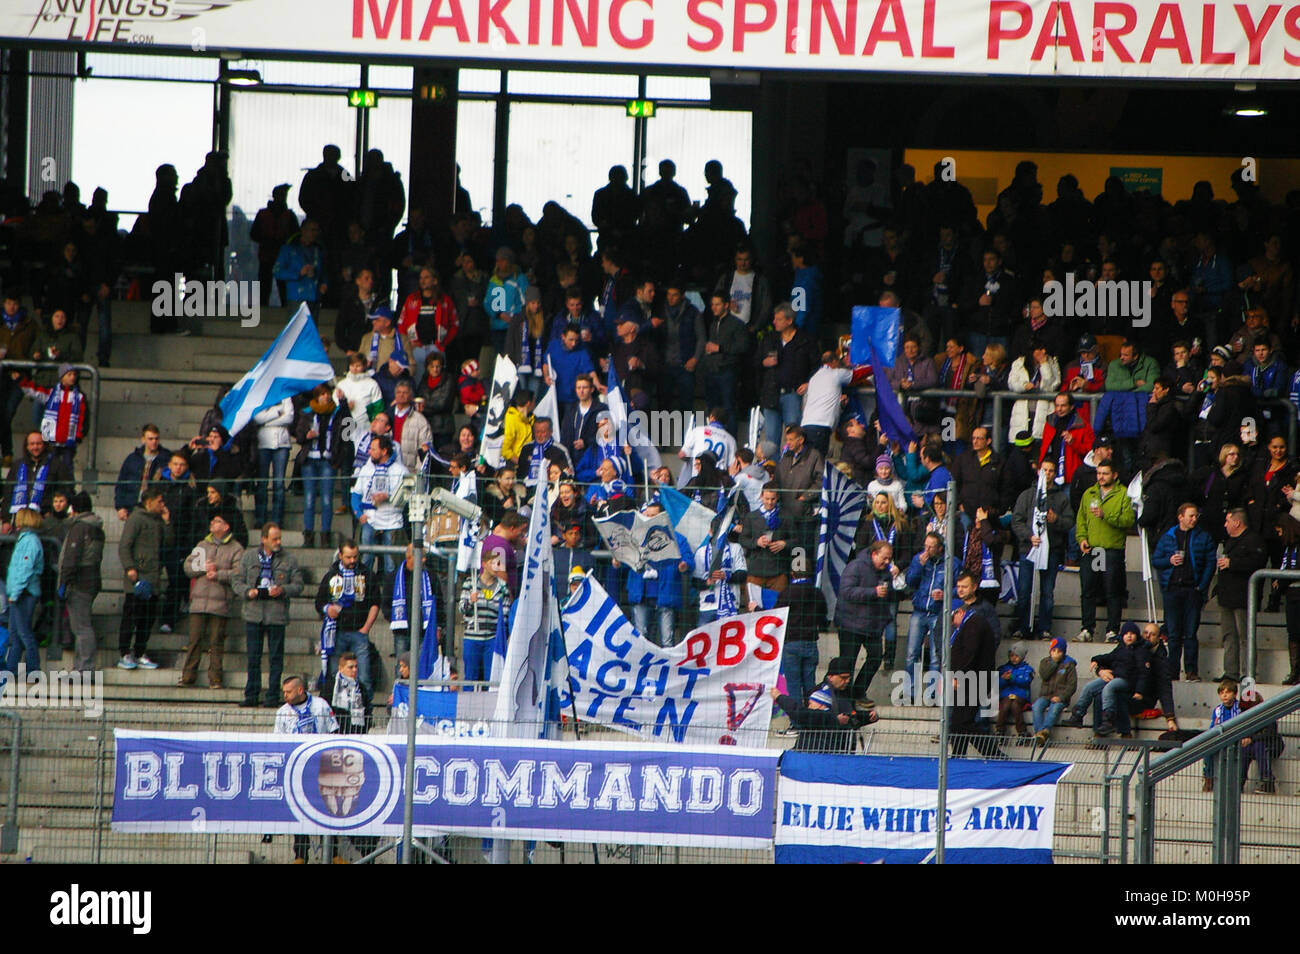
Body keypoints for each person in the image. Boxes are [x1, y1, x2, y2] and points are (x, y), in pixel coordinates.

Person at [235, 523, 303, 708]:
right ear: (263, 539)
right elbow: (237, 581)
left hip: (276, 615)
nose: (278, 542)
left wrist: (282, 589)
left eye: (279, 538)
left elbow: (298, 585)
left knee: (275, 658)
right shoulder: (249, 557)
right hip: (253, 614)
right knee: (253, 657)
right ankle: (251, 694)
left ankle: (273, 695)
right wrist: (248, 591)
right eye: (274, 539)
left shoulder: (289, 559)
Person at [273, 674, 339, 863]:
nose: (285, 695)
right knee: (299, 810)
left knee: (327, 810)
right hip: (297, 770)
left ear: (300, 690)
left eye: (288, 691)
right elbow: (278, 742)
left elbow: (335, 732)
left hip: (322, 767)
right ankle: (300, 855)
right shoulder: (282, 712)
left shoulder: (321, 705)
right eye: (283, 692)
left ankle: (333, 853)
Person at [1151, 503, 1217, 682]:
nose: (1194, 519)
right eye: (1191, 516)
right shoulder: (1168, 537)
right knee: (1173, 634)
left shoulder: (1203, 537)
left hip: (1192, 590)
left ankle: (1191, 671)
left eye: (1196, 516)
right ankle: (1172, 672)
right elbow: (1156, 560)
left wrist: (1201, 586)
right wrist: (1169, 560)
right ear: (1180, 517)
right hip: (1172, 590)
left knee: (1190, 634)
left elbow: (1211, 563)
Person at [179, 510, 244, 689]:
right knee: (194, 640)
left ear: (226, 526)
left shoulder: (236, 548)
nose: (212, 523)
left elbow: (239, 573)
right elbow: (187, 566)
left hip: (220, 602)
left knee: (216, 642)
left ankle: (215, 678)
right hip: (199, 602)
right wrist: (202, 567)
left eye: (217, 521)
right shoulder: (202, 544)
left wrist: (219, 574)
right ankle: (187, 676)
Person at [1011, 459, 1073, 641]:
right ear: (1039, 471)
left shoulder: (1061, 498)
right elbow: (1016, 520)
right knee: (1024, 591)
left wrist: (1056, 520)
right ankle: (1022, 626)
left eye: (1051, 471)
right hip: (1028, 549)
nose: (1048, 474)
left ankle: (1045, 628)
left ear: (1055, 473)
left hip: (1051, 550)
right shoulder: (1026, 495)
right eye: (1044, 470)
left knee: (1047, 591)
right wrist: (1029, 536)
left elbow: (1070, 522)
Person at [837, 539, 903, 706]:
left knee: (875, 658)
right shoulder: (856, 566)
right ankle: (843, 699)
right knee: (847, 663)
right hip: (851, 624)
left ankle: (858, 692)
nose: (887, 562)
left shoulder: (886, 572)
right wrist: (872, 592)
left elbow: (887, 596)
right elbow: (846, 591)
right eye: (885, 558)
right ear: (874, 554)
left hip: (872, 625)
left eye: (890, 559)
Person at [1075, 462, 1134, 642]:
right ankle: (1087, 628)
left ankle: (1112, 630)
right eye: (1099, 473)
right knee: (1088, 589)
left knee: (1112, 590)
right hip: (1093, 549)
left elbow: (1129, 520)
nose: (1101, 477)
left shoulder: (1123, 493)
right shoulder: (1089, 493)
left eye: (1105, 473)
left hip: (1111, 550)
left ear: (1114, 475)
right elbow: (1081, 520)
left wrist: (1106, 515)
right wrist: (1082, 538)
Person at [768, 658, 877, 754]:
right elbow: (808, 716)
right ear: (831, 676)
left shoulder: (844, 693)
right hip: (816, 752)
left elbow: (848, 717)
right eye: (843, 678)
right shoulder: (820, 692)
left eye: (849, 678)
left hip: (838, 752)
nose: (847, 681)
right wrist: (780, 698)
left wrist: (867, 717)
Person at [1062, 621, 1151, 737]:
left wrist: (1139, 691)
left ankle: (1108, 720)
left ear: (1137, 636)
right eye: (1126, 633)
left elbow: (1143, 673)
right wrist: (1096, 660)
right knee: (1090, 687)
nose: (1129, 636)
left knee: (1109, 688)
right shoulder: (1120, 648)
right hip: (1115, 677)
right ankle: (1077, 715)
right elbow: (1109, 657)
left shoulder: (1141, 651)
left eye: (1132, 633)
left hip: (1128, 681)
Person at [314, 541, 381, 696]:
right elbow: (319, 602)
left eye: (355, 557)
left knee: (363, 676)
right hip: (336, 633)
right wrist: (327, 609)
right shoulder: (331, 575)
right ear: (340, 556)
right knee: (334, 674)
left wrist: (366, 628)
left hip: (359, 633)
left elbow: (375, 603)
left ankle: (365, 713)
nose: (352, 561)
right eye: (348, 557)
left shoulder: (367, 574)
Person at [117, 487, 171, 671]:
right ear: (149, 502)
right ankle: (125, 652)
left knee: (147, 620)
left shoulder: (158, 522)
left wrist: (167, 523)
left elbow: (168, 544)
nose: (162, 505)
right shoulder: (136, 519)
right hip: (138, 578)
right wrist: (130, 568)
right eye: (160, 501)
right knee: (131, 617)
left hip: (154, 578)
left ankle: (140, 652)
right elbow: (124, 545)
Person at [295, 385, 352, 550]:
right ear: (316, 396)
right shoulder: (307, 412)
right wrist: (306, 436)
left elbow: (349, 425)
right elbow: (298, 435)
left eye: (328, 394)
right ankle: (308, 536)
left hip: (327, 461)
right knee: (309, 499)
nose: (326, 397)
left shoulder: (337, 412)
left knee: (327, 500)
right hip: (309, 461)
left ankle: (325, 535)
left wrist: (343, 402)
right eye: (322, 394)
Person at [948, 598, 1003, 758]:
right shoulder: (971, 624)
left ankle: (994, 754)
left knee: (963, 721)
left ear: (959, 612)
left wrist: (958, 674)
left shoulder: (974, 624)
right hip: (970, 679)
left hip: (974, 680)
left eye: (952, 619)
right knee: (958, 721)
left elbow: (969, 654)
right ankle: (958, 755)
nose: (952, 624)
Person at [350, 434, 409, 580]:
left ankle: (389, 594)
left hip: (392, 521)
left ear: (384, 451)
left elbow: (407, 497)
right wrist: (359, 514)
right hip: (369, 520)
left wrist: (388, 497)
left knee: (391, 562)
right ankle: (365, 590)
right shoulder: (366, 469)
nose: (369, 452)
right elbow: (356, 495)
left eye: (373, 449)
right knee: (365, 560)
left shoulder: (401, 471)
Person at [1216, 508, 1266, 681]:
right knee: (1228, 635)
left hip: (1244, 597)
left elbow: (1258, 562)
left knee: (1245, 636)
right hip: (1227, 597)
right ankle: (1230, 672)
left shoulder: (1253, 540)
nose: (1225, 525)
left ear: (1237, 522)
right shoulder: (1230, 541)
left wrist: (1233, 563)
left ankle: (1247, 672)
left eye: (1227, 521)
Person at [56, 492, 103, 674]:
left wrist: (64, 582)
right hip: (91, 581)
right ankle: (80, 668)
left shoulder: (79, 528)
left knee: (81, 628)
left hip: (78, 584)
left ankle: (85, 669)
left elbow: (71, 558)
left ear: (74, 508)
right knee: (81, 626)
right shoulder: (96, 527)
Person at [902, 531, 950, 704]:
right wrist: (918, 567)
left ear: (939, 548)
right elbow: (909, 582)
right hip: (919, 610)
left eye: (931, 547)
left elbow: (957, 587)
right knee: (911, 653)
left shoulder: (950, 562)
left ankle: (932, 694)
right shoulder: (918, 559)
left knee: (936, 656)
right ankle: (910, 692)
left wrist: (945, 594)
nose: (927, 549)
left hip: (937, 612)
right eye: (925, 545)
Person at [1, 508, 44, 680]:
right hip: (19, 593)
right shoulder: (25, 539)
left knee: (24, 632)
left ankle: (33, 669)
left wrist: (15, 592)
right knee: (15, 633)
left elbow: (25, 569)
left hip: (24, 594)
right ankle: (10, 668)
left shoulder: (30, 541)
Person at [459, 551, 508, 685]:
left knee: (491, 678)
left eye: (498, 563)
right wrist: (470, 600)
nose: (496, 566)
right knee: (471, 677)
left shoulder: (502, 587)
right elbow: (462, 608)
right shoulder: (471, 583)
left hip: (492, 639)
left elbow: (505, 614)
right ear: (484, 564)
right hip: (472, 637)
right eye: (492, 563)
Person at [252, 396, 295, 529]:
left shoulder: (285, 396)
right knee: (262, 482)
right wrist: (277, 412)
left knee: (279, 483)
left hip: (282, 444)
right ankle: (260, 518)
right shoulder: (262, 394)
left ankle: (277, 520)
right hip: (263, 444)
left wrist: (266, 421)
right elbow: (257, 418)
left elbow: (289, 417)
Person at [114, 424, 170, 522]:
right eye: (150, 439)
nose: (154, 442)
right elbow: (121, 484)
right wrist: (120, 507)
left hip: (155, 507)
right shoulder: (132, 459)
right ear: (143, 439)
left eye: (156, 439)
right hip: (133, 506)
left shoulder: (166, 458)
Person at [1031, 636, 1077, 743]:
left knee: (1054, 708)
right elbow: (1045, 675)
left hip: (1060, 697)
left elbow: (1072, 685)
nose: (1056, 653)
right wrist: (1054, 663)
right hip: (1045, 695)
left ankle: (1045, 730)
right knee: (1036, 707)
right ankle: (1039, 733)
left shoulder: (1069, 665)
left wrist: (1061, 697)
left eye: (1059, 651)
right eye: (1053, 650)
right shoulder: (1045, 662)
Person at [1202, 678, 1241, 792]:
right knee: (1208, 750)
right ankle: (1209, 779)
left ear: (1234, 694)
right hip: (1220, 739)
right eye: (1222, 693)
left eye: (1228, 692)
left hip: (1235, 739)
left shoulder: (1240, 708)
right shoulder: (1218, 710)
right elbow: (1212, 728)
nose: (1224, 695)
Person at [996, 642, 1034, 739]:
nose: (1013, 658)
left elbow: (1026, 682)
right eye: (1011, 655)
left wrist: (1012, 678)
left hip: (1021, 696)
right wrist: (1004, 679)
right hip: (1006, 696)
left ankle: (1022, 732)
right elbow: (996, 685)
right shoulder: (1003, 669)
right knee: (1005, 706)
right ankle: (1000, 731)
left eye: (1016, 656)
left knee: (1015, 706)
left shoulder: (1027, 669)